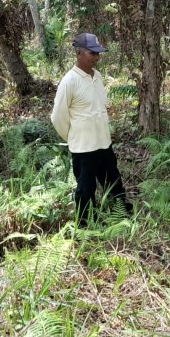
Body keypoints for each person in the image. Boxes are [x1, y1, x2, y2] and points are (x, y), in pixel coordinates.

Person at [51, 33, 128, 227]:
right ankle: (85, 225)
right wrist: (73, 137)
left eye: (98, 53)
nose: (96, 57)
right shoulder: (69, 81)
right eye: (92, 53)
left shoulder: (97, 76)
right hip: (83, 147)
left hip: (103, 141)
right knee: (86, 187)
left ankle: (121, 214)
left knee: (113, 179)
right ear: (79, 53)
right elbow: (58, 117)